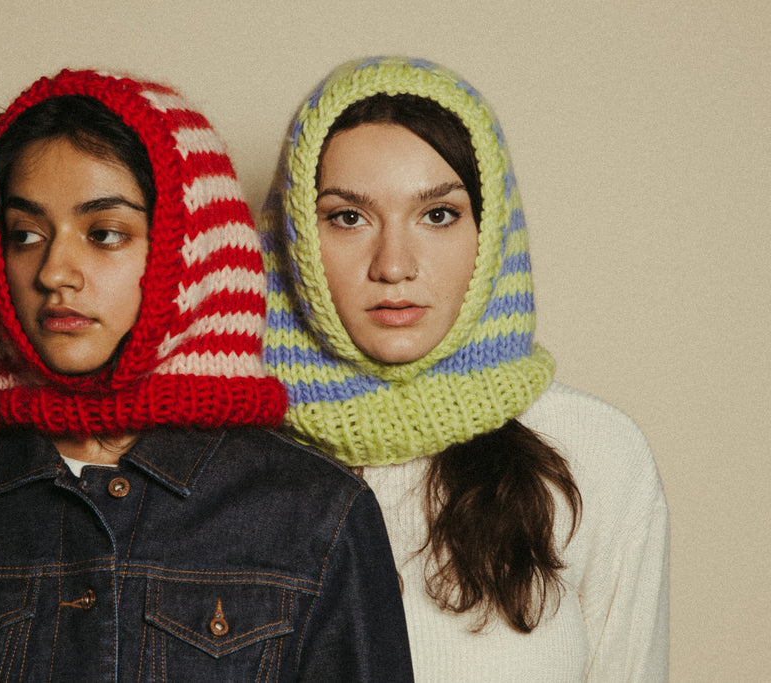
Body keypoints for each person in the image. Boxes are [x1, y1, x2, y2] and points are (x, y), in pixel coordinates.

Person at [0, 67, 414, 681]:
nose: (54, 271)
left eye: (105, 234)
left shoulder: (317, 516)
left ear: (192, 250)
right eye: (25, 234)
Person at [260, 57, 669, 681]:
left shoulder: (598, 454)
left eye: (438, 214)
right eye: (347, 216)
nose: (394, 264)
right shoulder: (227, 466)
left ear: (491, 231)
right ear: (295, 239)